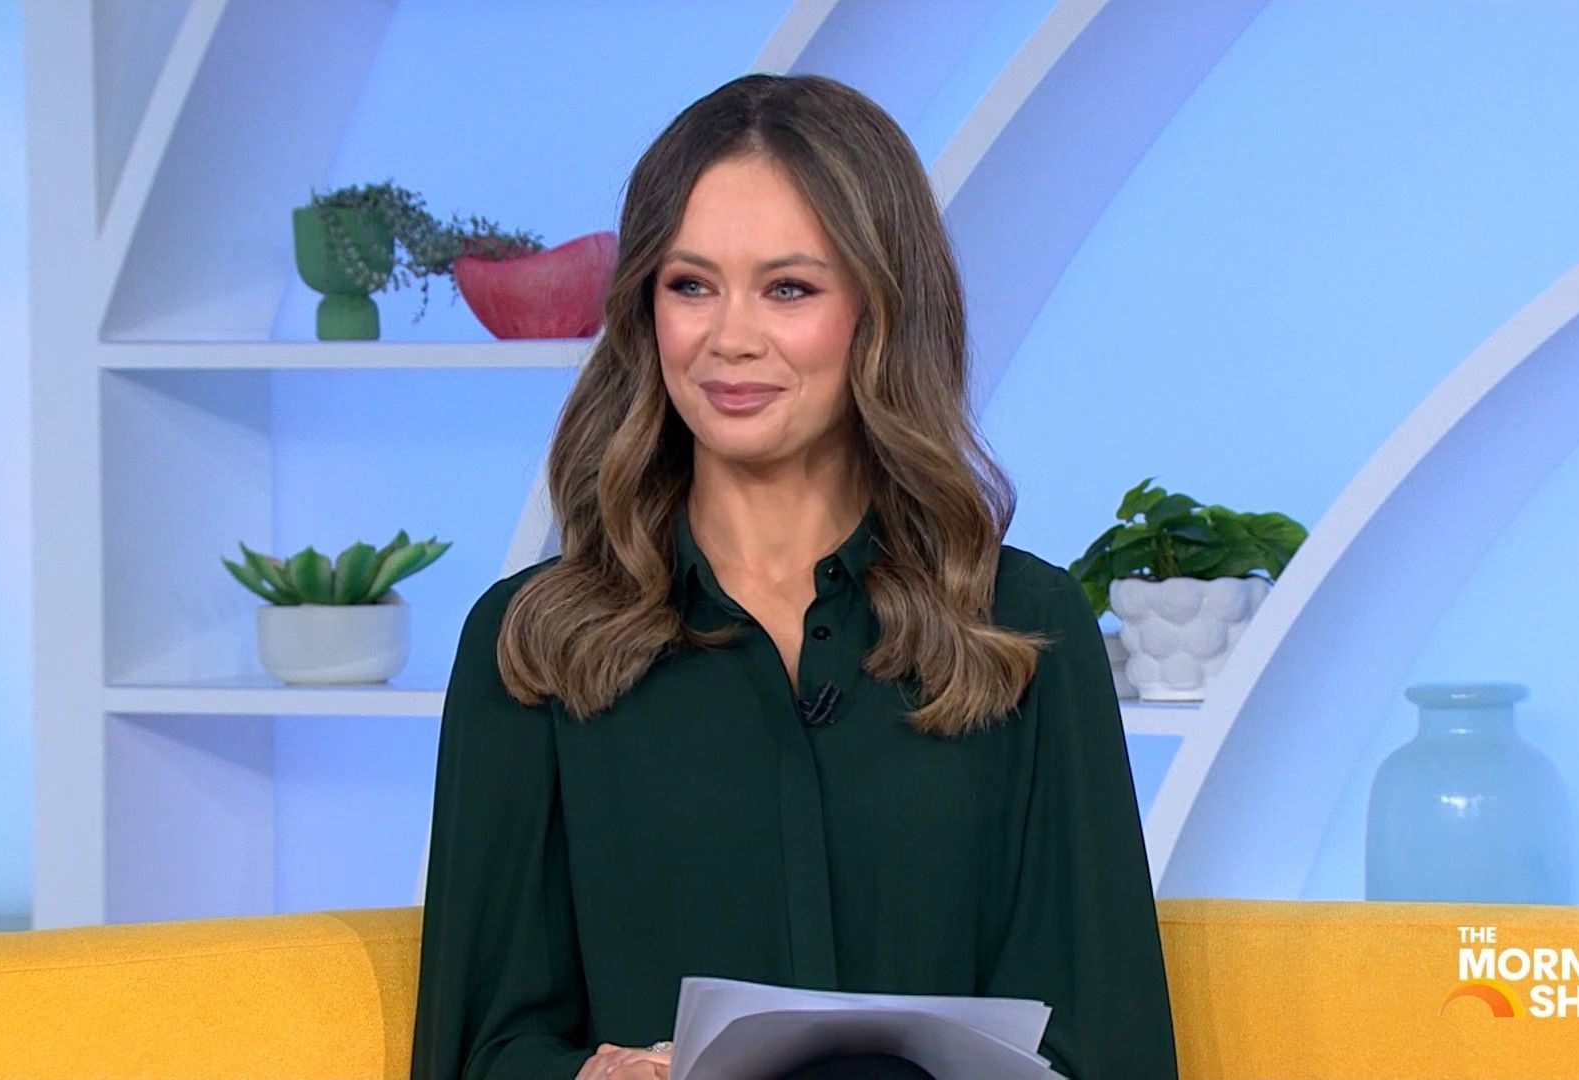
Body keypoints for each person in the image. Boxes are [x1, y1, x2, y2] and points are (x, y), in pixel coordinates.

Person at [409, 73, 1178, 1080]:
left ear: (879, 310)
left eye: (788, 289)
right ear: (645, 309)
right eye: (690, 285)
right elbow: (480, 1048)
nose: (730, 338)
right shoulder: (535, 643)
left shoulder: (1022, 628)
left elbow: (1108, 1044)